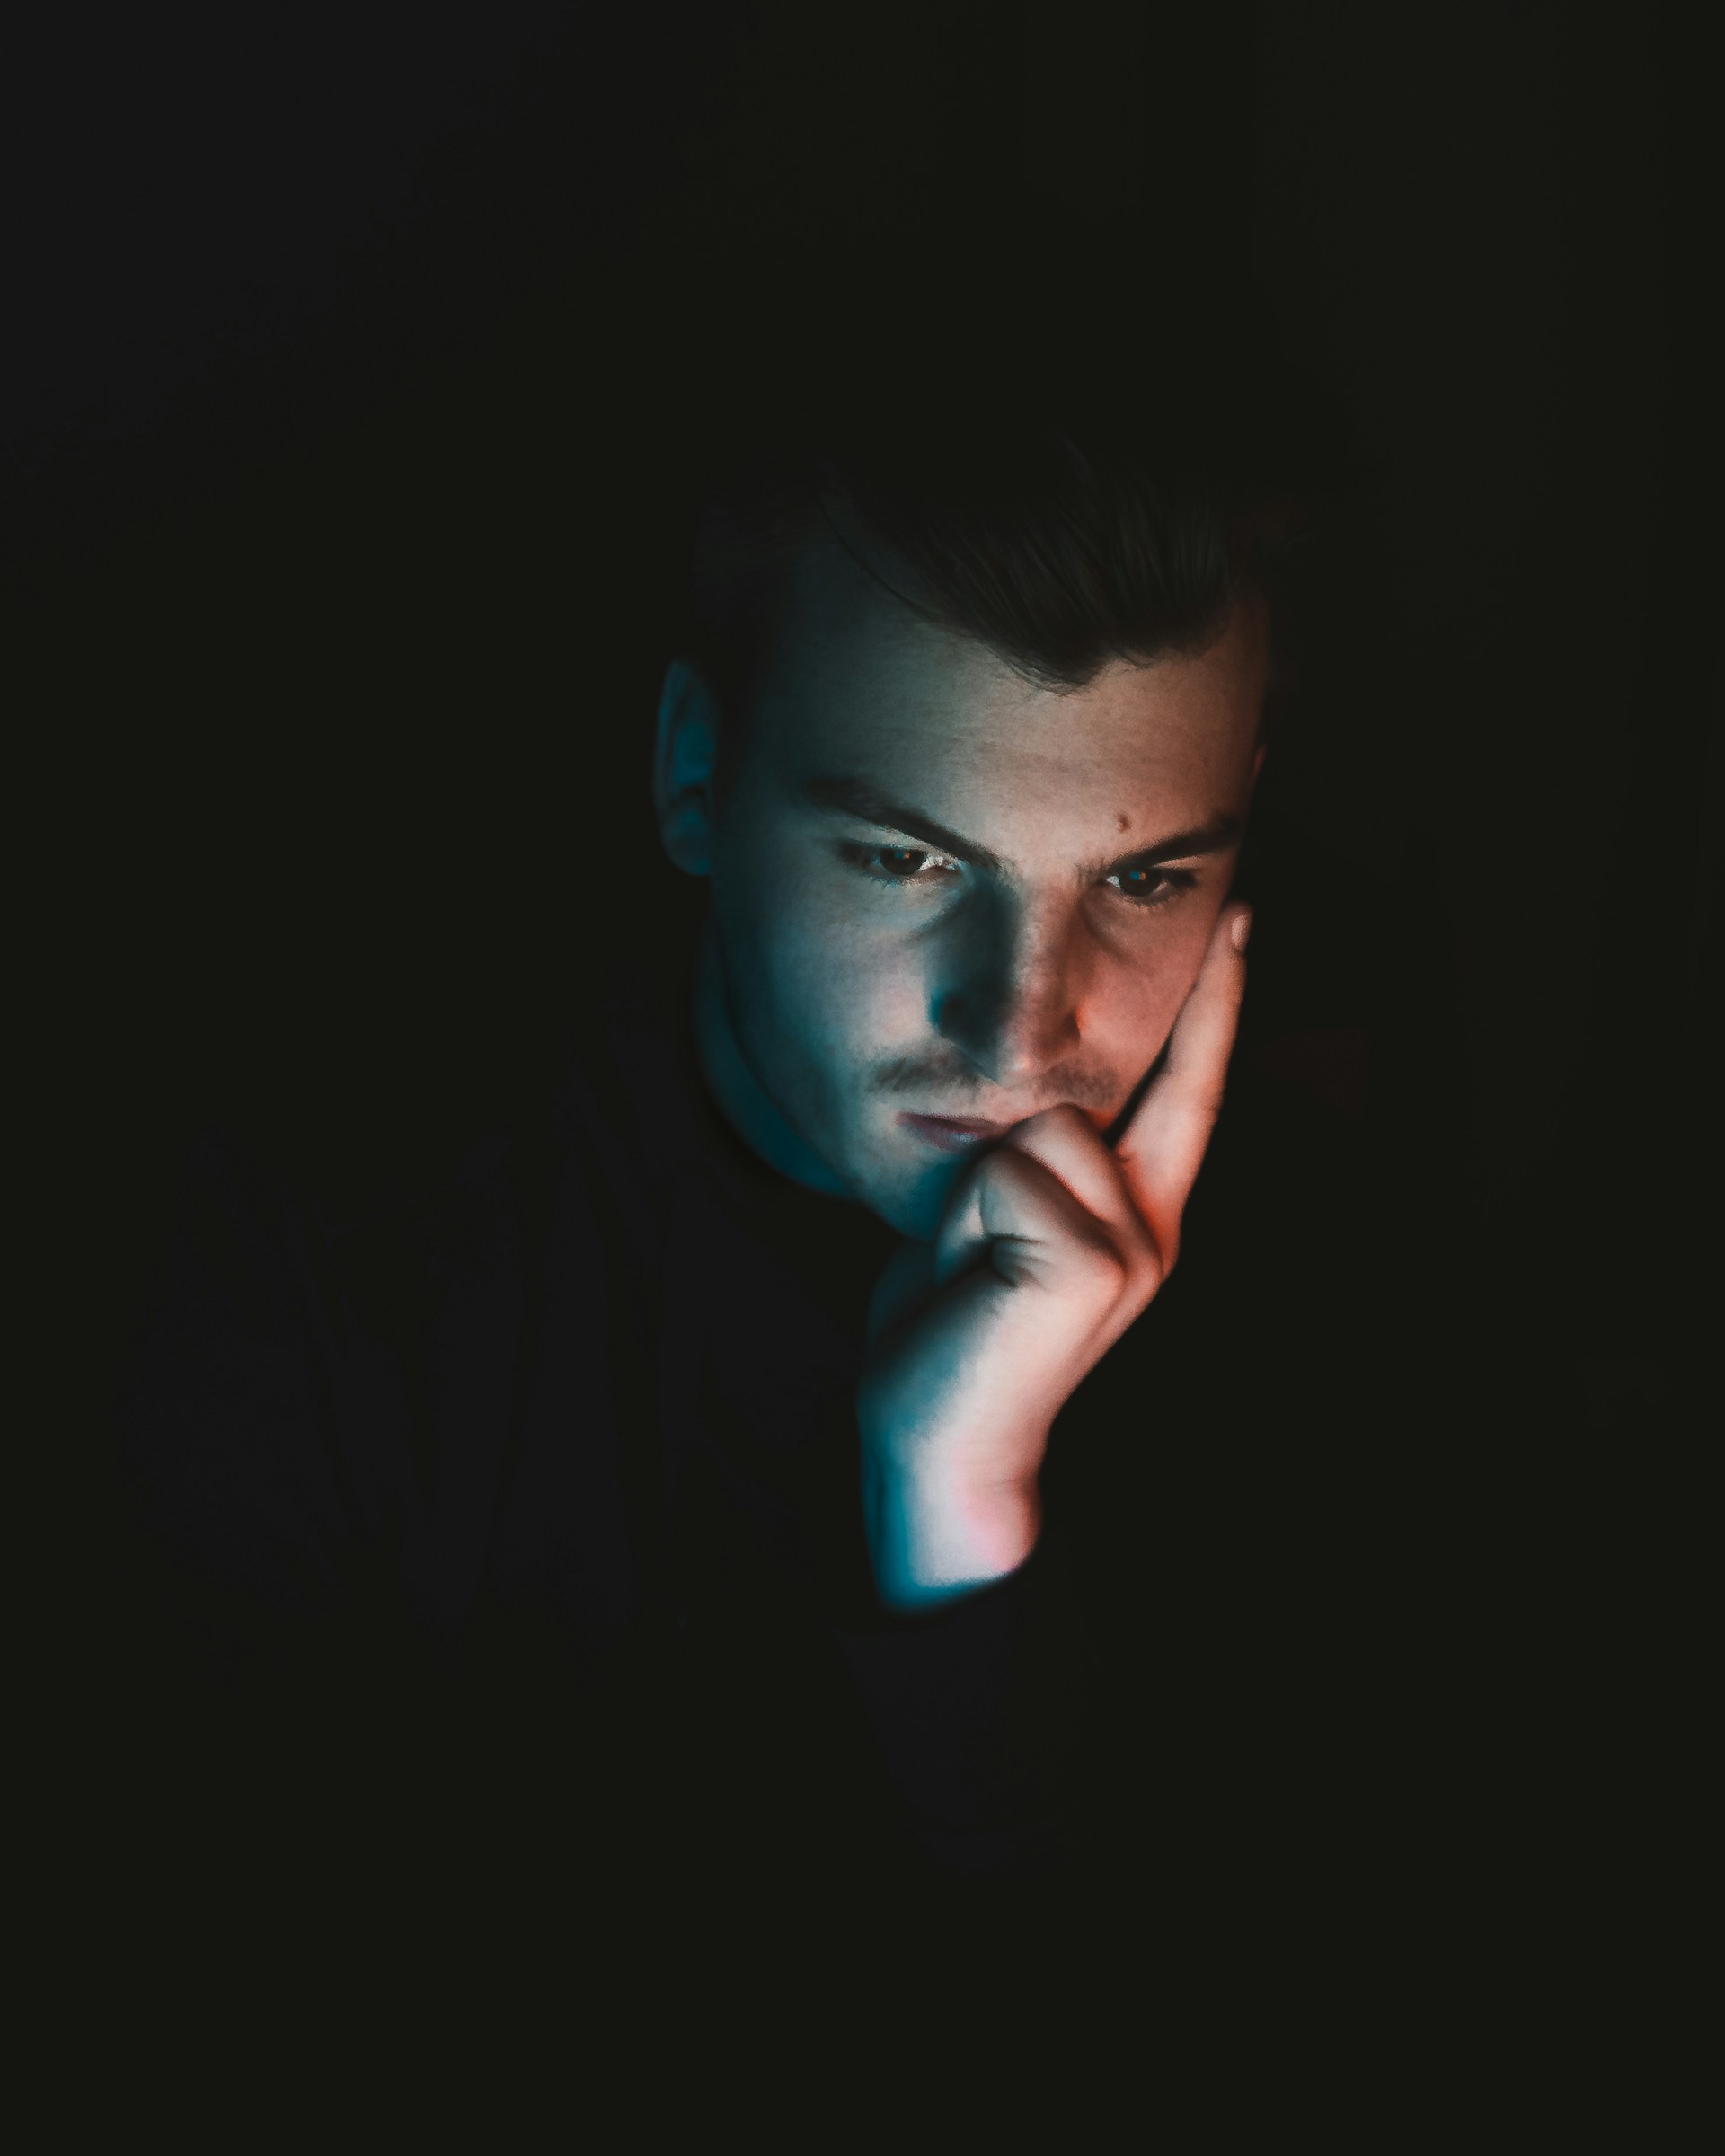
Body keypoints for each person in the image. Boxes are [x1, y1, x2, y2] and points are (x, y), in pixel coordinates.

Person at [106, 274, 1420, 1904]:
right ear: (693, 778)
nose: (1021, 1025)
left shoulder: (1340, 1291)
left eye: (1145, 881)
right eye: (902, 857)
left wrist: (960, 1527)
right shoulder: (323, 1275)